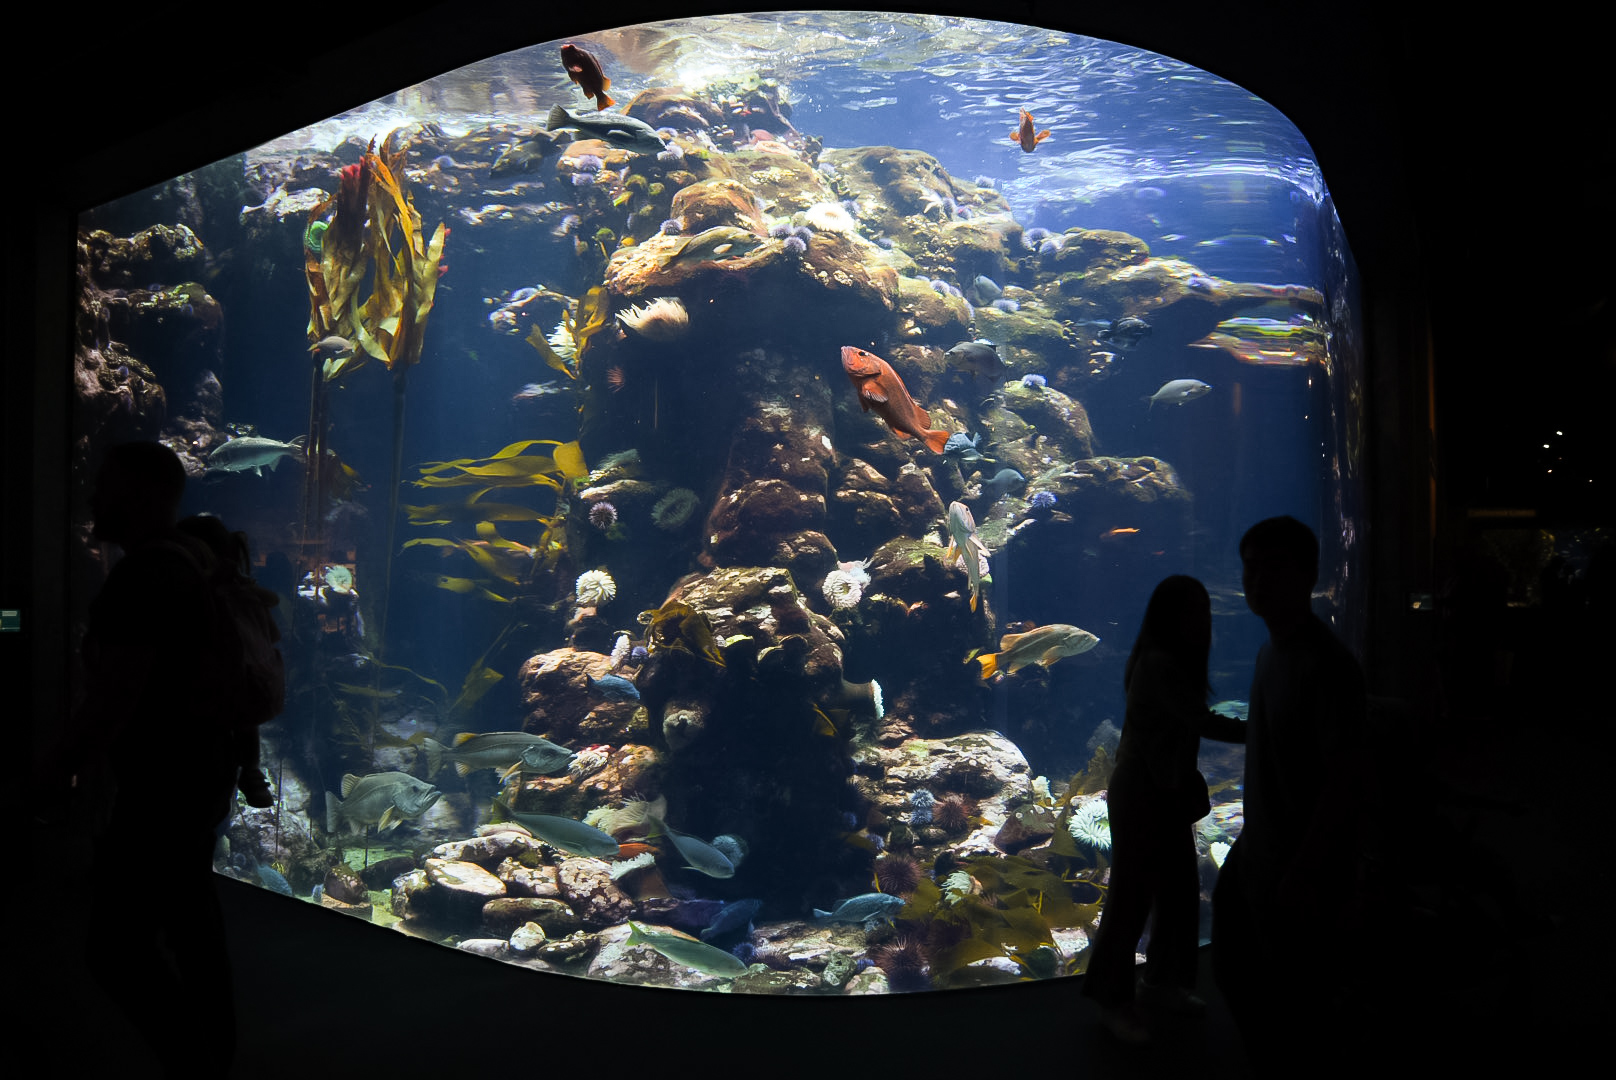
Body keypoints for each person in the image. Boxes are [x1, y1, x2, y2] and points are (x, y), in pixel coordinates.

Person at [73, 440, 241, 1076]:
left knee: (113, 950)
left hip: (161, 793)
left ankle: (196, 1069)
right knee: (194, 926)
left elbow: (111, 700)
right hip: (199, 781)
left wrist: (52, 772)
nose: (93, 496)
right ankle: (215, 1060)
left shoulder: (145, 576)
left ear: (139, 495)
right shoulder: (190, 565)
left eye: (104, 484)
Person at [1211, 515, 1367, 1075]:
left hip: (1299, 865)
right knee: (1239, 970)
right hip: (1260, 850)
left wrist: (1304, 871)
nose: (1256, 581)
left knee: (1296, 1000)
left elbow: (1345, 775)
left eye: (1273, 567)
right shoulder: (1268, 653)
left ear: (1308, 575)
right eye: (1250, 567)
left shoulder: (1326, 666)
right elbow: (1271, 732)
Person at [1082, 574, 1246, 1043]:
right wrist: (1262, 728)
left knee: (1178, 892)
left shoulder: (1168, 661)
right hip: (1141, 794)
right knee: (1131, 899)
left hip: (1166, 792)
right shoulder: (1157, 664)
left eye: (1204, 612)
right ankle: (1112, 999)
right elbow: (1198, 720)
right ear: (1172, 618)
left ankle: (1161, 982)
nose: (1203, 622)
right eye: (1194, 613)